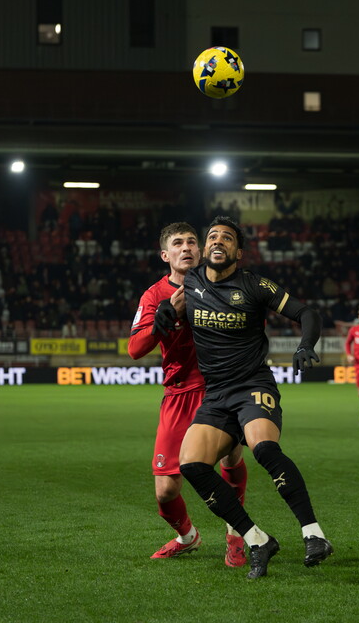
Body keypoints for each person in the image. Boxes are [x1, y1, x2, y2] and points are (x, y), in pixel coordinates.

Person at [156, 215, 332, 579]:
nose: (218, 241)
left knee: (264, 448)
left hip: (253, 386)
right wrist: (164, 311)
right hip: (216, 395)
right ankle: (256, 539)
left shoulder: (254, 285)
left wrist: (305, 345)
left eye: (227, 238)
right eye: (212, 236)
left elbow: (307, 313)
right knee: (192, 465)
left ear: (238, 252)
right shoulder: (192, 281)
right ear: (205, 248)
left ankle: (314, 534)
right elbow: (169, 303)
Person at [128, 222, 249, 567]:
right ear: (165, 255)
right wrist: (162, 320)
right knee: (166, 490)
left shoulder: (223, 284)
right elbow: (135, 348)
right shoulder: (154, 295)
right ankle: (187, 536)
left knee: (230, 459)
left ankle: (236, 534)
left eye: (192, 242)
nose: (186, 248)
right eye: (178, 243)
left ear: (201, 250)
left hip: (221, 388)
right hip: (179, 394)